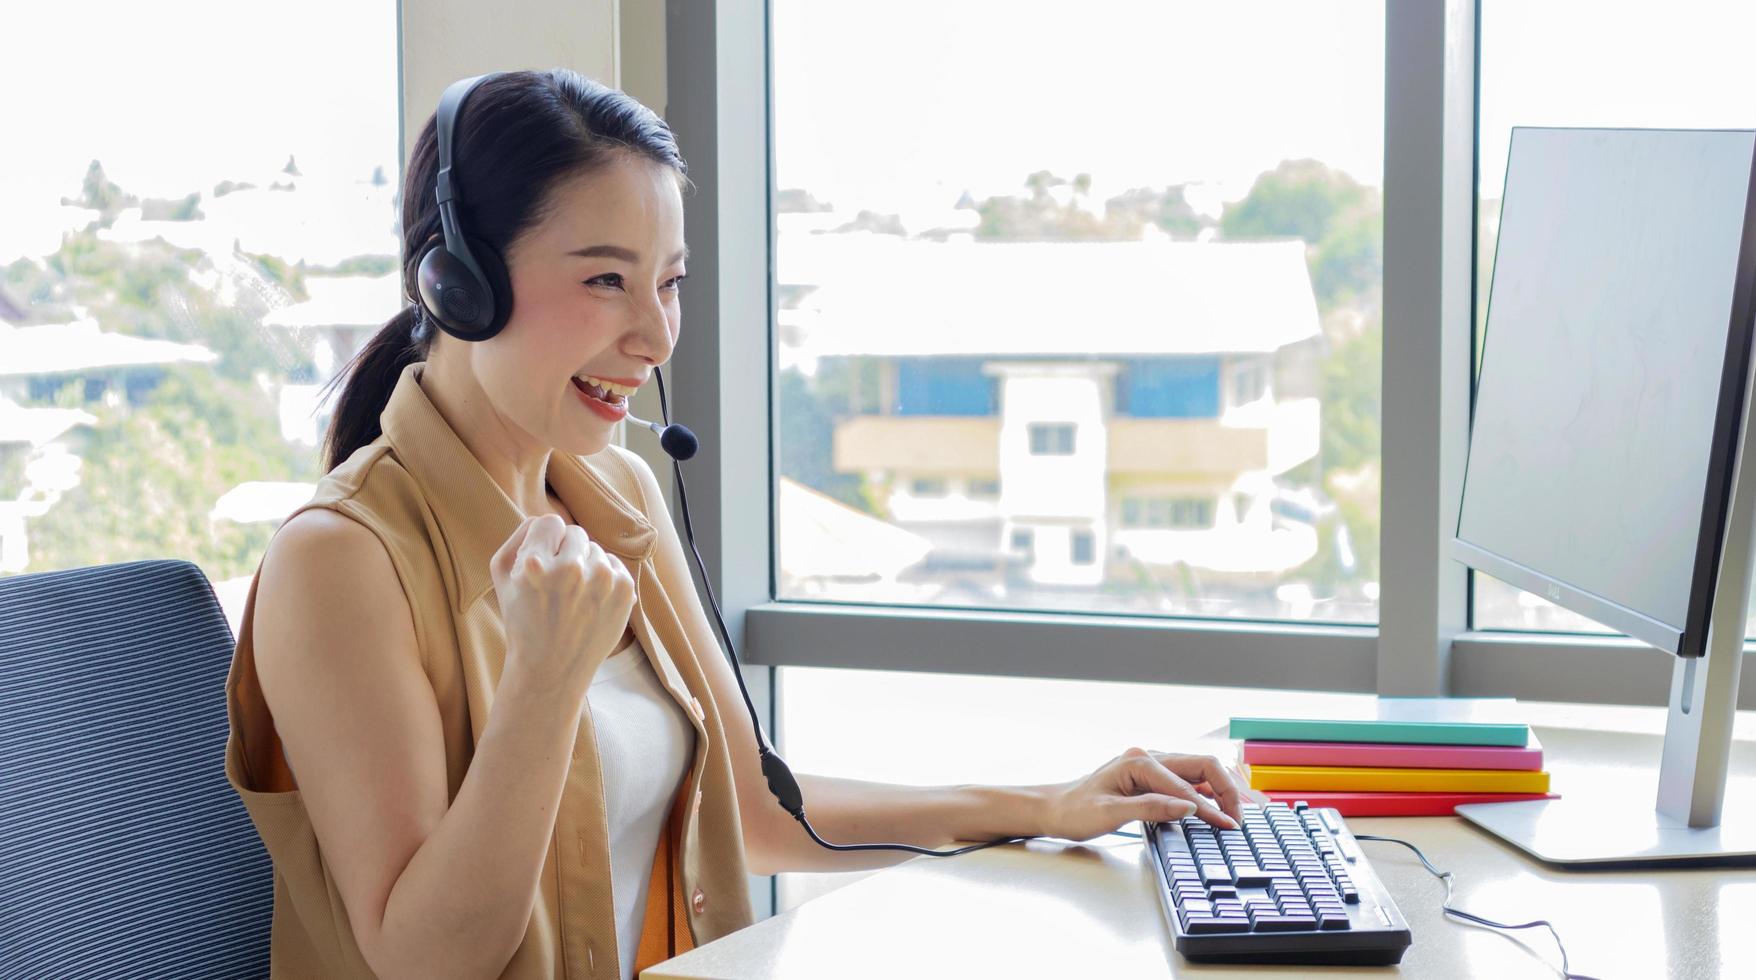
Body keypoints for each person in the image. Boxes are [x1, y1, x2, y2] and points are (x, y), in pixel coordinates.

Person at [222, 68, 1254, 980]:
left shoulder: (615, 494)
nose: (655, 332)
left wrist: (1045, 803)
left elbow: (758, 809)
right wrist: (541, 682)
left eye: (668, 282)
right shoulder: (342, 560)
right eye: (604, 280)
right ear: (459, 283)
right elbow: (424, 958)